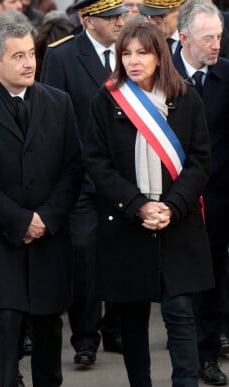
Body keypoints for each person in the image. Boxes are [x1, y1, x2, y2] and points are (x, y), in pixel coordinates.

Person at [0, 22, 83, 386]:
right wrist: (20, 221)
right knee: (4, 325)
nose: (29, 63)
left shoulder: (59, 102)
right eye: (18, 56)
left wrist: (45, 219)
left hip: (49, 239)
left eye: (31, 54)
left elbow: (74, 168)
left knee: (47, 328)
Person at [85, 20, 214, 387]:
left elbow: (200, 161)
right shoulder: (106, 99)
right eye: (126, 53)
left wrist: (171, 207)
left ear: (160, 55)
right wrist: (139, 205)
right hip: (128, 222)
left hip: (178, 221)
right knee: (132, 318)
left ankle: (185, 382)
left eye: (143, 52)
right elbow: (97, 162)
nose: (133, 60)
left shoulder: (186, 98)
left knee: (180, 312)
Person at [40, 0, 130, 365]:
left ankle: (116, 328)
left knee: (124, 254)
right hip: (81, 179)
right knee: (84, 257)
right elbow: (49, 117)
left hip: (124, 175)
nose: (119, 22)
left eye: (121, 15)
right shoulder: (62, 57)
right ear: (87, 19)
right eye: (110, 17)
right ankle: (85, 338)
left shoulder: (131, 50)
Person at [173, 0, 229, 384]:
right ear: (183, 38)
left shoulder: (226, 75)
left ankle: (207, 354)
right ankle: (185, 361)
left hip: (219, 198)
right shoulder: (162, 77)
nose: (216, 45)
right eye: (208, 38)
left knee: (212, 279)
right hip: (175, 199)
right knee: (180, 288)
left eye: (220, 37)